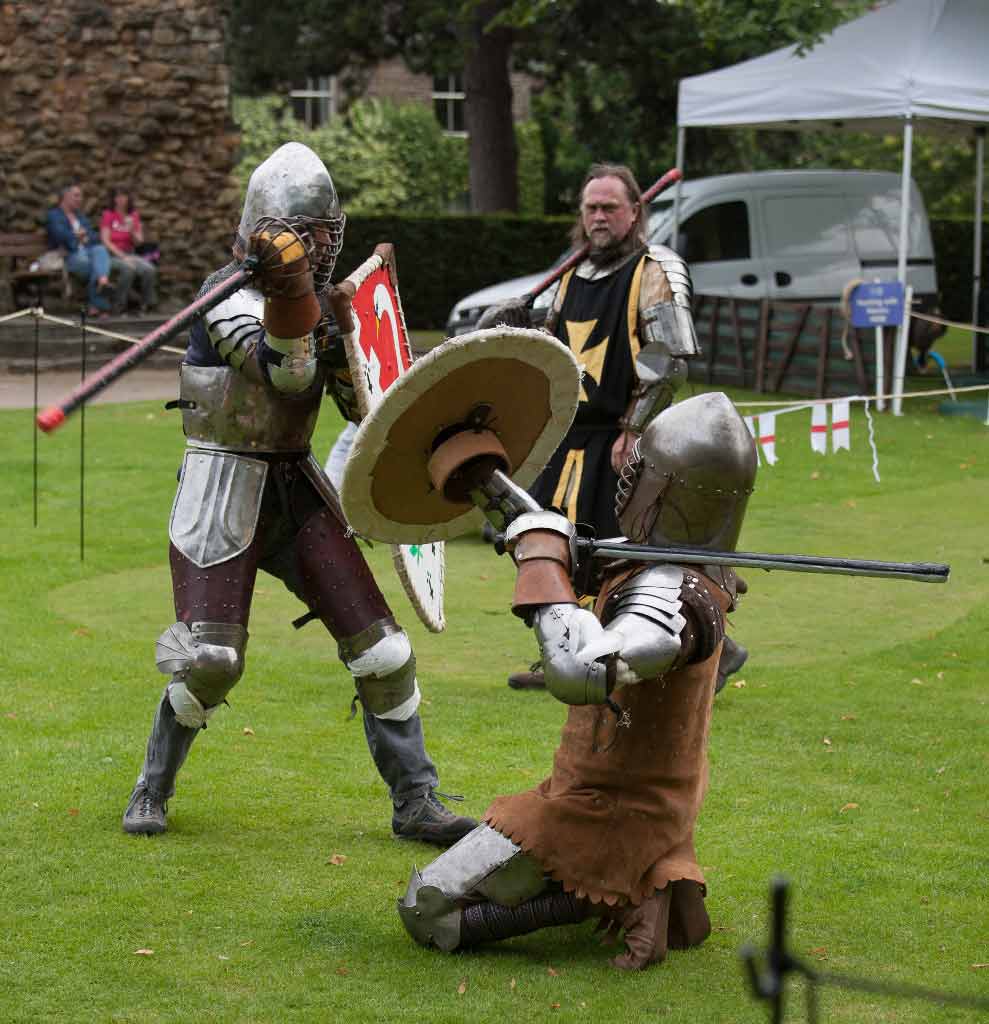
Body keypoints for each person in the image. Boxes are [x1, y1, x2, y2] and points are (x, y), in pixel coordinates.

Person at [121, 142, 476, 847]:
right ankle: (152, 785)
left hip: (296, 486)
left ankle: (416, 799)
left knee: (384, 653)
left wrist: (349, 333)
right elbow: (280, 377)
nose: (319, 246)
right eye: (306, 234)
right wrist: (307, 313)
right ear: (270, 231)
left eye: (325, 233)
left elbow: (359, 405)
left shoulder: (325, 304)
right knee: (212, 661)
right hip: (222, 486)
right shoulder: (223, 297)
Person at [398, 391, 758, 970]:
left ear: (666, 488)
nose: (625, 471)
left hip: (616, 807)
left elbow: (580, 670)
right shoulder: (667, 565)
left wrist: (540, 565)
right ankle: (625, 884)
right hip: (600, 788)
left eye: (642, 467)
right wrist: (491, 484)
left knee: (427, 909)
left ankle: (618, 891)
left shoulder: (672, 595)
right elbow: (570, 547)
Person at [478, 162, 748, 691]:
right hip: (566, 436)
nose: (599, 218)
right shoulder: (570, 275)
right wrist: (511, 320)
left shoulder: (656, 270)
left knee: (623, 553)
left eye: (609, 208)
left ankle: (716, 652)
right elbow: (551, 348)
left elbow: (668, 358)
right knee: (545, 543)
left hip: (619, 439)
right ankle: (568, 650)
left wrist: (634, 430)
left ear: (635, 212)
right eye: (591, 209)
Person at [45, 182, 122, 318]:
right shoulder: (54, 215)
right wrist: (76, 236)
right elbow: (58, 235)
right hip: (69, 255)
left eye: (81, 196)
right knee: (97, 267)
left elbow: (94, 236)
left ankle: (101, 288)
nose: (80, 199)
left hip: (87, 253)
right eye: (76, 196)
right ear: (65, 196)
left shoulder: (80, 216)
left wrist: (86, 237)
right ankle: (100, 299)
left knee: (99, 249)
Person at [100, 187, 158, 314]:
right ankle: (118, 305)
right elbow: (105, 240)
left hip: (130, 254)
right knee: (128, 269)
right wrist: (122, 256)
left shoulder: (133, 215)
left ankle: (145, 304)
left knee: (149, 269)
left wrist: (132, 229)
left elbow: (139, 242)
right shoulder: (108, 215)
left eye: (123, 196)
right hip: (112, 255)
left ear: (128, 198)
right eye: (118, 196)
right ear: (114, 199)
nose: (121, 199)